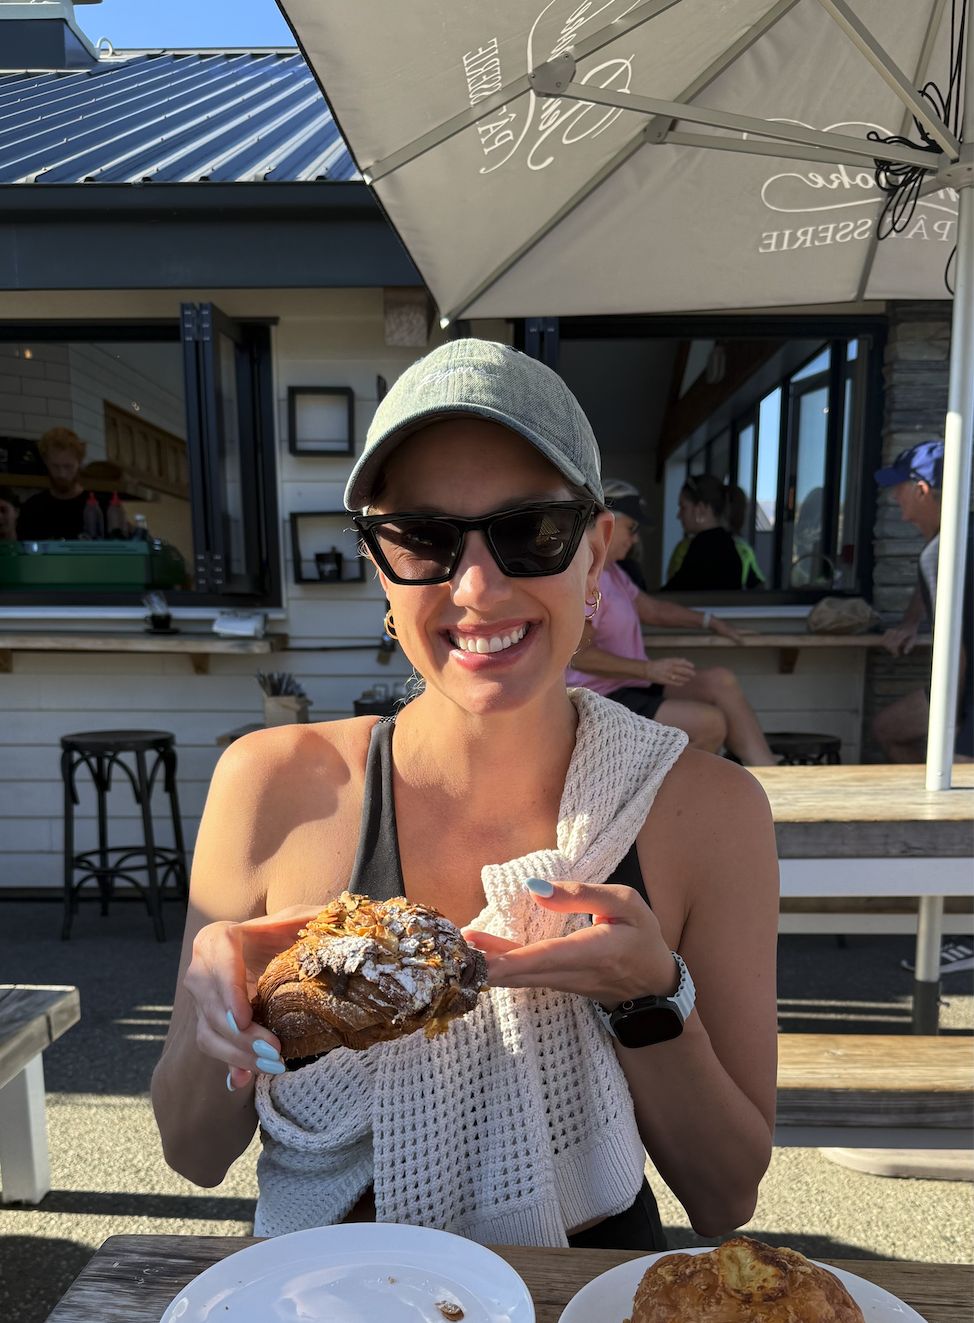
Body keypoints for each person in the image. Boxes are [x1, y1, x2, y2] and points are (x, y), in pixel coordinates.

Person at [152, 339, 778, 1252]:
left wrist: (648, 998)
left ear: (596, 553)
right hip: (327, 1313)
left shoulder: (706, 811)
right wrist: (240, 1009)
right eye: (423, 539)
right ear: (380, 564)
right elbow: (190, 1151)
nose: (477, 588)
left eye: (533, 533)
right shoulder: (271, 785)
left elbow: (726, 1198)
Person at [567, 483, 778, 764]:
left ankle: (768, 775)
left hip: (632, 683)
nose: (634, 540)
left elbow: (653, 610)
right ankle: (668, 805)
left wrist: (712, 622)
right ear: (605, 523)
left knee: (720, 680)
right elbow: (579, 654)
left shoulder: (614, 571)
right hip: (600, 697)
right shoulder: (585, 575)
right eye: (632, 529)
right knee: (709, 724)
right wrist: (649, 669)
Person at [872, 441, 973, 763]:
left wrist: (949, 726)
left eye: (899, 487)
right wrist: (911, 621)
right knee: (889, 728)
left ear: (921, 489)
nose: (893, 496)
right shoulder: (956, 539)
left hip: (968, 692)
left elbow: (954, 651)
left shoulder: (942, 553)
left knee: (956, 797)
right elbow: (933, 585)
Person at [15, 427, 123, 541]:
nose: (61, 474)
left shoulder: (100, 507)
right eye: (55, 466)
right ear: (45, 461)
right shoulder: (32, 508)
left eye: (68, 467)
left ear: (79, 463)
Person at [664, 475, 765, 592]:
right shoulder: (725, 544)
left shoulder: (704, 548)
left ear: (701, 509)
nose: (678, 515)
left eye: (683, 508)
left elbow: (678, 592)